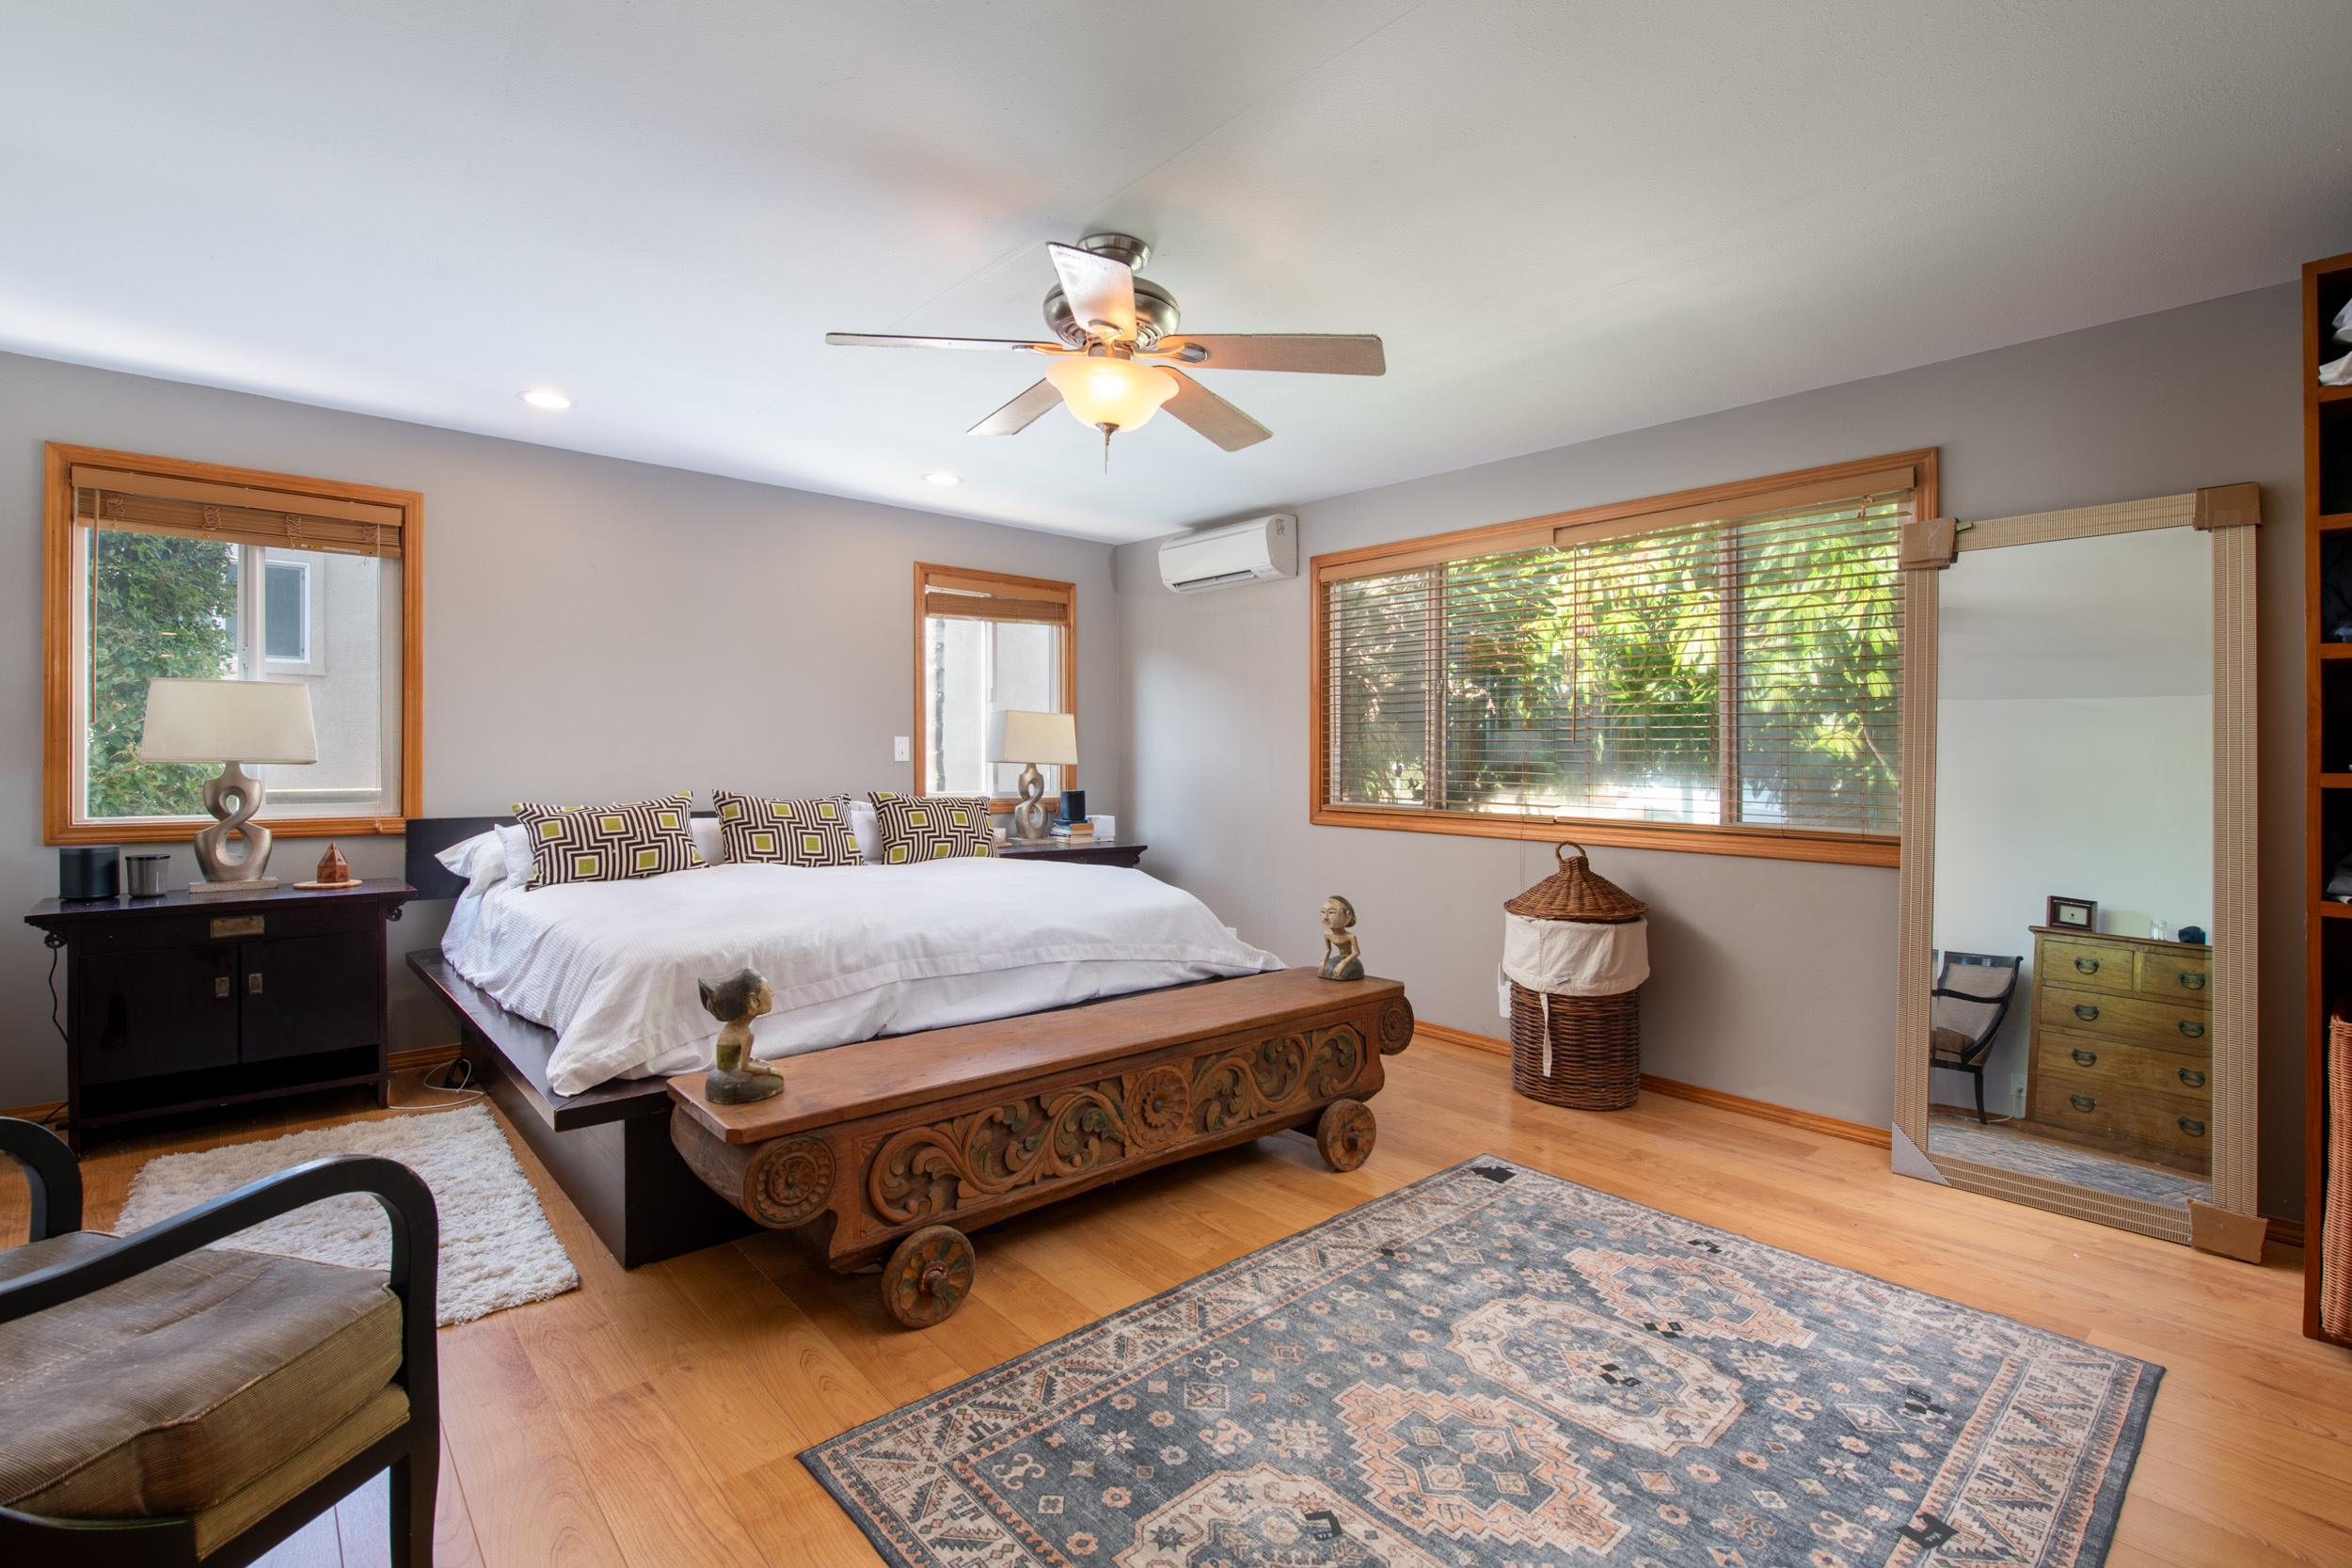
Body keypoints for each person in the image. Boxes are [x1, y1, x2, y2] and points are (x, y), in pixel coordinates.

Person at [1319, 895, 1364, 980]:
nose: (1325, 918)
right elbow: (1328, 950)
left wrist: (1343, 963)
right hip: (1339, 959)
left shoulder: (1350, 937)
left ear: (1347, 916)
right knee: (1325, 970)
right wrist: (1323, 960)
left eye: (1331, 912)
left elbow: (1357, 952)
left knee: (1339, 971)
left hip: (1349, 960)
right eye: (1323, 912)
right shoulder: (1327, 935)